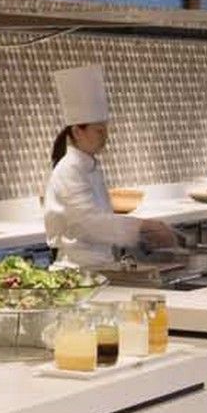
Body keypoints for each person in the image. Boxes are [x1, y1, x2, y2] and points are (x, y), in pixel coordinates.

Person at [39, 61, 175, 266]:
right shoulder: (69, 170)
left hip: (100, 265)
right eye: (99, 131)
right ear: (77, 132)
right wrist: (141, 227)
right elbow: (89, 224)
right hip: (77, 269)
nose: (105, 137)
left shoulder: (90, 166)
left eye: (106, 130)